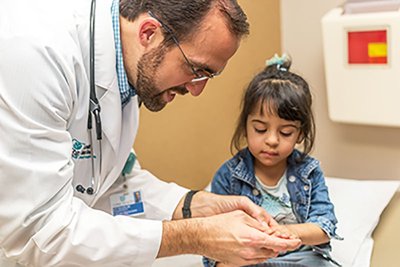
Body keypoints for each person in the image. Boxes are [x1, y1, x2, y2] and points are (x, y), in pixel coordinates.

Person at [0, 1, 302, 266]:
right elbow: (39, 231)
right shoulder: (36, 51)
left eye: (210, 75)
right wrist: (195, 237)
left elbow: (115, 181)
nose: (196, 90)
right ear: (148, 33)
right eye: (196, 70)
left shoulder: (125, 67)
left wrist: (194, 205)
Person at [203, 54, 342, 267]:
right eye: (260, 129)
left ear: (300, 135)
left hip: (302, 259)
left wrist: (285, 232)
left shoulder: (309, 172)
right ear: (245, 127)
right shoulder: (229, 176)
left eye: (286, 132)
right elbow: (213, 241)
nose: (272, 140)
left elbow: (323, 228)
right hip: (251, 260)